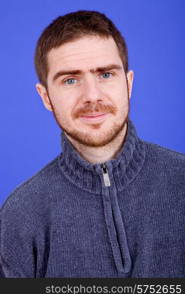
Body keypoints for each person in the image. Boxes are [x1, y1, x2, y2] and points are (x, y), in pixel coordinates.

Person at [1, 10, 185, 278]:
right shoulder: (19, 217)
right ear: (46, 97)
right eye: (70, 80)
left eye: (106, 75)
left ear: (128, 83)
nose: (92, 95)